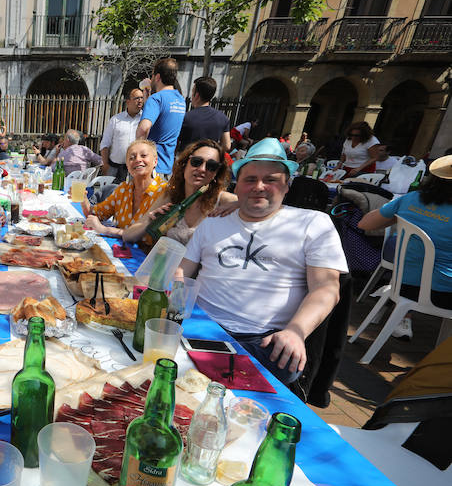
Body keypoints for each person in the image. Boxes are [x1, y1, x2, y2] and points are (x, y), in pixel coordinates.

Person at [174, 137, 347, 386]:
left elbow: (327, 288)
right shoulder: (212, 224)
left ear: (287, 185)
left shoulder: (313, 223)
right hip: (201, 326)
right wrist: (174, 311)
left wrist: (295, 332)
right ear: (237, 186)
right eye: (250, 179)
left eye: (271, 180)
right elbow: (182, 271)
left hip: (263, 341)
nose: (259, 186)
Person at [358, 155, 452, 340]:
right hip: (440, 294)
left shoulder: (411, 198)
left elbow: (365, 224)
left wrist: (396, 215)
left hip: (402, 283)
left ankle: (396, 310)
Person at [122, 139, 237, 246]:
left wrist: (240, 204)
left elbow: (250, 204)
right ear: (184, 164)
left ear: (216, 173)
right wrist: (149, 221)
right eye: (196, 162)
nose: (202, 169)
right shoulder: (171, 196)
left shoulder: (221, 199)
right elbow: (128, 236)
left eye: (211, 166)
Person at [81, 139, 166, 239]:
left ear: (155, 161)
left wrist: (105, 230)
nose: (138, 159)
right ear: (127, 165)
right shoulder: (122, 190)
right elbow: (95, 215)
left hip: (146, 253)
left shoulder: (164, 192)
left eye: (143, 156)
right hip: (120, 251)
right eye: (132, 158)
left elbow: (145, 236)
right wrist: (83, 199)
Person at [136, 58, 186, 177]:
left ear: (157, 77)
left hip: (151, 167)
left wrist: (137, 152)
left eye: (152, 76)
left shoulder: (157, 99)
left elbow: (144, 128)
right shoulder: (180, 99)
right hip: (167, 166)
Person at [100, 88, 145, 183]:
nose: (140, 101)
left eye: (142, 98)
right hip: (114, 169)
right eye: (137, 98)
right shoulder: (116, 120)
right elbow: (105, 144)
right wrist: (105, 165)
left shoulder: (145, 120)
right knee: (111, 195)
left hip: (136, 169)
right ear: (128, 102)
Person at [177, 76, 231, 153]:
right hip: (211, 161)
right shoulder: (223, 118)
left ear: (197, 95)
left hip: (188, 160)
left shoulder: (186, 117)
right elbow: (227, 146)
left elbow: (175, 142)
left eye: (192, 92)